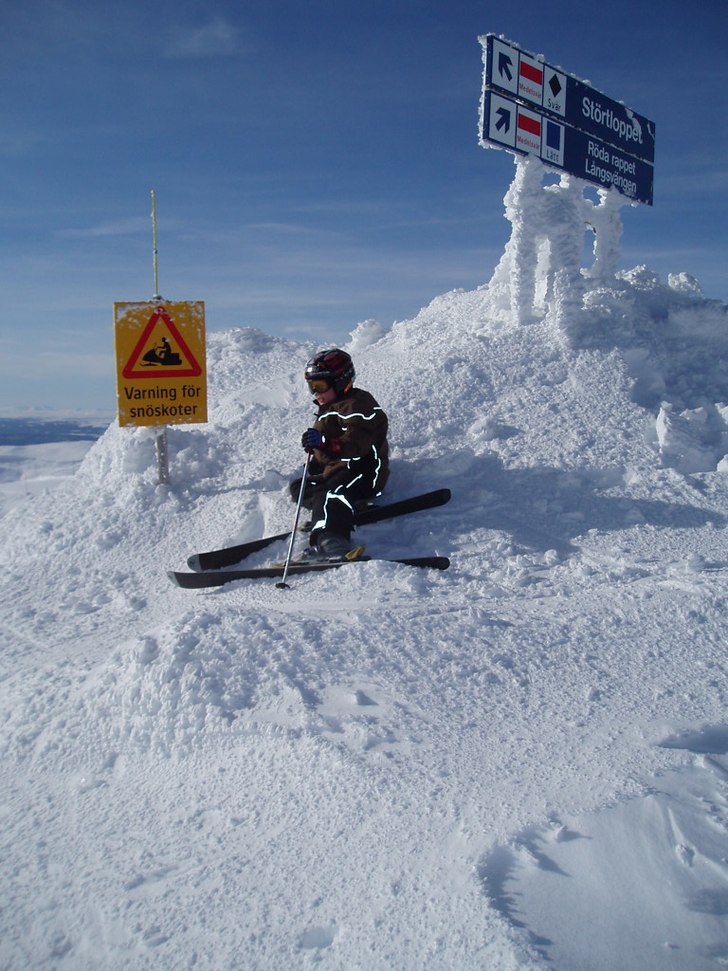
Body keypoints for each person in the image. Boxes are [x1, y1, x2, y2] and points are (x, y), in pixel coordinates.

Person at [291, 348, 389, 561]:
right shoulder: (330, 407)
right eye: (311, 387)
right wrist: (315, 451)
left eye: (320, 386)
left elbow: (357, 445)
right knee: (300, 488)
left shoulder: (358, 405)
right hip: (339, 469)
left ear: (340, 381)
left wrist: (323, 443)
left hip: (363, 470)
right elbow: (329, 445)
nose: (315, 393)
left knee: (329, 494)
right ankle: (344, 508)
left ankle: (331, 540)